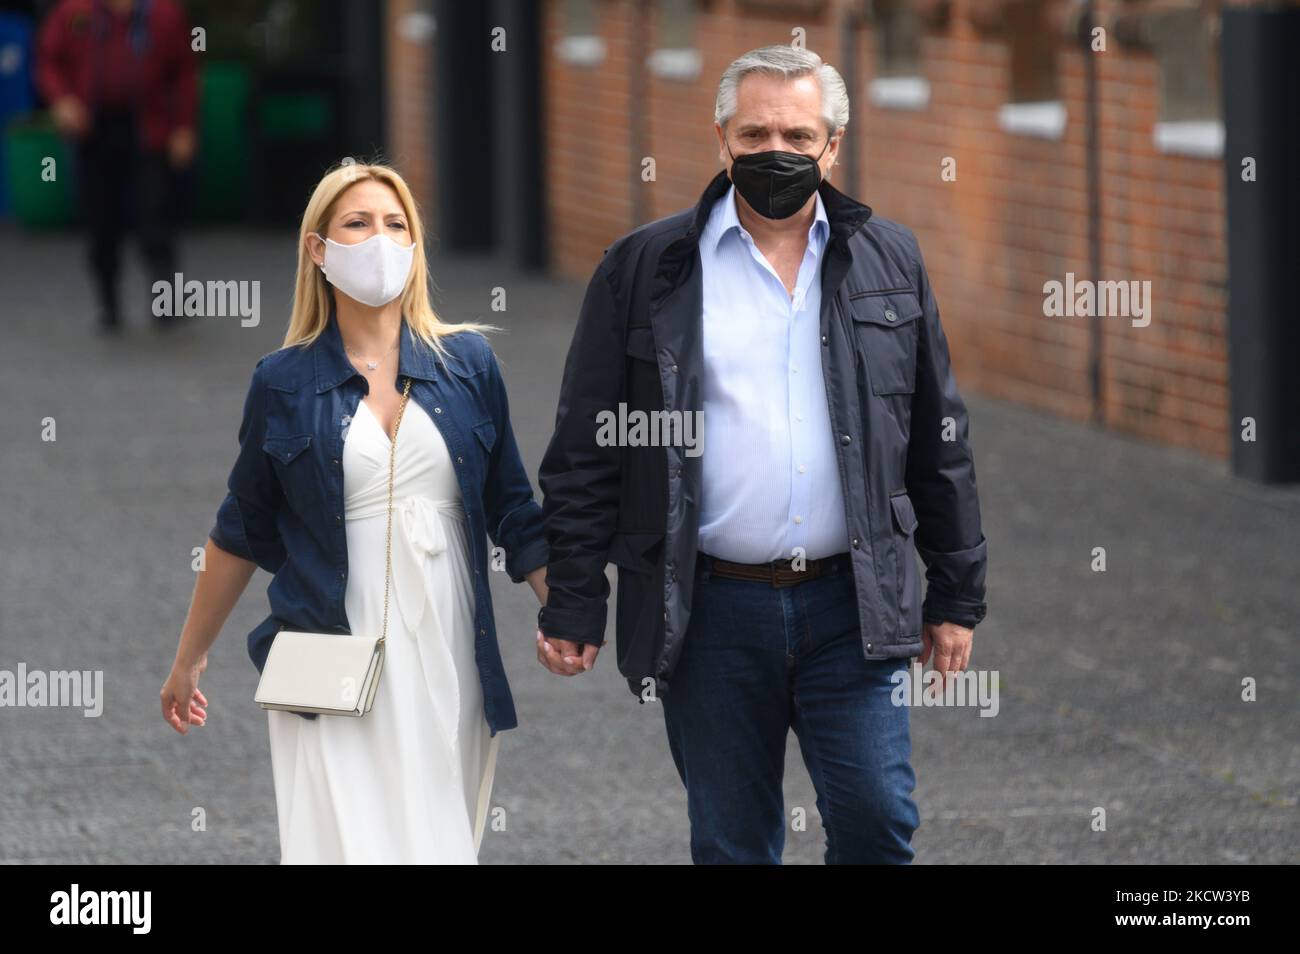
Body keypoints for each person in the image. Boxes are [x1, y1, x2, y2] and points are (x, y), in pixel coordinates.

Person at [536, 45, 988, 864]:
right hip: (708, 610)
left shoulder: (889, 259)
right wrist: (573, 602)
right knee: (733, 842)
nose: (775, 151)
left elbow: (937, 438)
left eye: (797, 133)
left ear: (833, 146)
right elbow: (585, 450)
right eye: (755, 133)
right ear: (721, 139)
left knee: (879, 822)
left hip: (851, 604)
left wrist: (955, 594)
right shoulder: (646, 268)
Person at [160, 162, 549, 864]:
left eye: (396, 224)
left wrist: (566, 612)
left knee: (434, 843)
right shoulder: (283, 380)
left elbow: (512, 506)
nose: (380, 238)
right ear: (318, 249)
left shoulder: (467, 365)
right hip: (328, 657)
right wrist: (189, 660)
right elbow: (240, 529)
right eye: (358, 223)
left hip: (447, 649)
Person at [34, 0, 197, 333]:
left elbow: (184, 73)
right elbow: (48, 60)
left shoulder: (163, 14)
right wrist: (62, 100)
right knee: (100, 221)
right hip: (92, 133)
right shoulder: (73, 13)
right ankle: (109, 304)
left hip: (148, 131)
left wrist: (183, 126)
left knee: (155, 214)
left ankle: (167, 302)